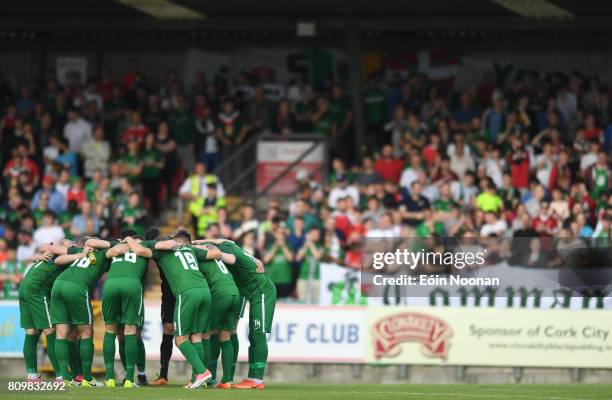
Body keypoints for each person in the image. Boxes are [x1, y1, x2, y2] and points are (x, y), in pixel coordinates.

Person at [145, 230, 220, 389]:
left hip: (187, 294)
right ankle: (197, 379)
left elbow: (141, 250)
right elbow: (215, 254)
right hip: (205, 291)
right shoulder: (189, 248)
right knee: (197, 337)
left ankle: (202, 372)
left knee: (180, 339)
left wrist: (128, 240)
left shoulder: (161, 252)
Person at [210, 239, 277, 389]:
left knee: (258, 334)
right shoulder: (228, 244)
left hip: (262, 292)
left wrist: (217, 253)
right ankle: (252, 378)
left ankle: (257, 380)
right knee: (253, 335)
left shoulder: (226, 248)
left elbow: (231, 256)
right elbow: (225, 240)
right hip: (253, 294)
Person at [51, 241, 108, 386]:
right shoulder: (105, 252)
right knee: (86, 332)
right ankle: (87, 379)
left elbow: (57, 260)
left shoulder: (80, 250)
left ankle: (64, 378)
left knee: (61, 332)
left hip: (58, 285)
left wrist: (79, 254)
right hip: (77, 287)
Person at [99, 231, 149, 388]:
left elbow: (108, 253)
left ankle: (109, 378)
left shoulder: (118, 248)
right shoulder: (144, 247)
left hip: (111, 283)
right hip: (131, 284)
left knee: (110, 330)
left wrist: (122, 243)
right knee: (130, 331)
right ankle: (129, 379)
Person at [18, 240, 73, 382]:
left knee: (31, 331)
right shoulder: (61, 255)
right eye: (67, 243)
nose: (70, 245)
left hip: (25, 288)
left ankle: (31, 375)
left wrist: (38, 254)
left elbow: (43, 248)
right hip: (37, 290)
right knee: (50, 331)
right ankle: (61, 375)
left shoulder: (49, 253)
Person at [192, 240, 240, 389]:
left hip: (220, 294)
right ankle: (227, 380)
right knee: (226, 335)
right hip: (234, 293)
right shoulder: (220, 259)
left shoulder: (201, 257)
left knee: (206, 334)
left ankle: (206, 377)